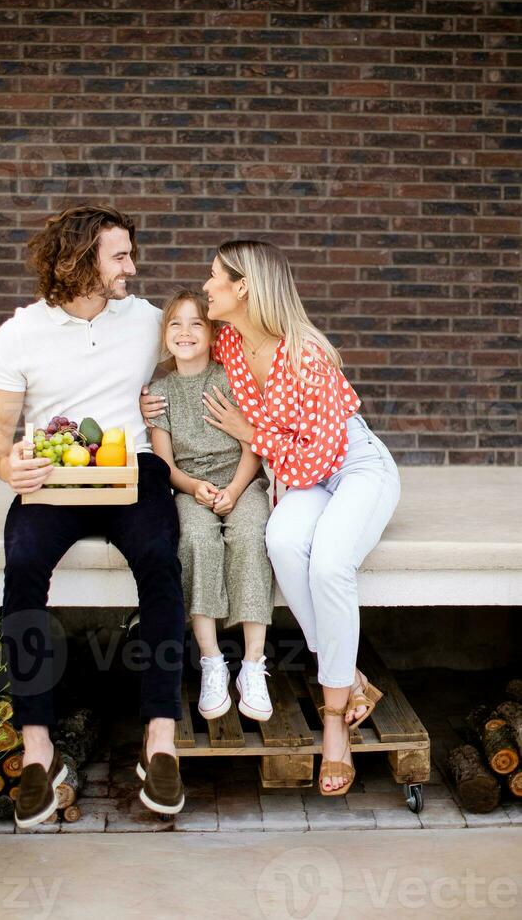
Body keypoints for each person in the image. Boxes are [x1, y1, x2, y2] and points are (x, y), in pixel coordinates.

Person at [142, 240, 401, 797]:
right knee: (282, 544)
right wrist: (148, 405)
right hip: (300, 474)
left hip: (352, 465)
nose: (206, 285)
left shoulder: (307, 353)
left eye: (215, 277)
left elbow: (313, 456)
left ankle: (334, 719)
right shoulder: (232, 342)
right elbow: (185, 366)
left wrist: (250, 434)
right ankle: (350, 675)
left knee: (330, 564)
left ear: (243, 288)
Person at [0, 204, 186, 826]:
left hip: (134, 468)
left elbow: (212, 349)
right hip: (54, 471)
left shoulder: (149, 320)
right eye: (119, 256)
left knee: (159, 560)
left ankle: (159, 739)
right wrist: (5, 467)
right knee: (22, 565)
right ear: (80, 263)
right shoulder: (19, 332)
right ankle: (39, 747)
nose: (132, 266)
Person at [147, 289, 275, 723]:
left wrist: (236, 491)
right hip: (189, 487)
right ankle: (212, 661)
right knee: (197, 540)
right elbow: (164, 464)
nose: (185, 332)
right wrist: (194, 486)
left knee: (250, 535)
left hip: (241, 480)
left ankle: (253, 666)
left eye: (196, 323)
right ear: (165, 335)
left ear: (213, 332)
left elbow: (251, 445)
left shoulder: (230, 378)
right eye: (176, 324)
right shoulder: (160, 390)